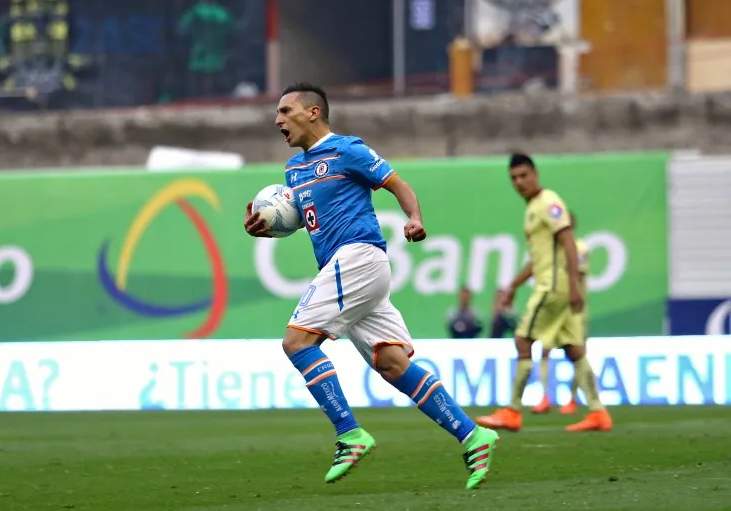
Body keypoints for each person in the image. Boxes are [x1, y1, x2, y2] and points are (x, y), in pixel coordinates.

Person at [243, 83, 499, 488]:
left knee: (296, 342)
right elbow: (307, 220)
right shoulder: (293, 170)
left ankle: (349, 433)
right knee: (392, 364)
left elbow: (399, 184)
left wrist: (414, 217)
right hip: (346, 267)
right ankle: (473, 435)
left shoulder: (348, 150)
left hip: (358, 256)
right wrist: (267, 229)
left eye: (284, 110)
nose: (277, 119)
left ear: (313, 113)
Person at [475, 153, 612, 433]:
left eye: (524, 175)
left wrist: (574, 284)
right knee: (574, 349)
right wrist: (512, 286)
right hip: (555, 283)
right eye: (513, 178)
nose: (519, 182)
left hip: (552, 286)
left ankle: (513, 410)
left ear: (536, 174)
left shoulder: (548, 203)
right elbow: (537, 260)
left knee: (523, 339)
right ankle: (598, 413)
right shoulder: (533, 207)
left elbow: (569, 242)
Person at [532, 212, 590, 415]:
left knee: (577, 352)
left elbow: (578, 274)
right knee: (544, 350)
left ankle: (573, 399)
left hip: (573, 310)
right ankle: (545, 397)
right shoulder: (552, 251)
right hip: (554, 307)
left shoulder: (580, 248)